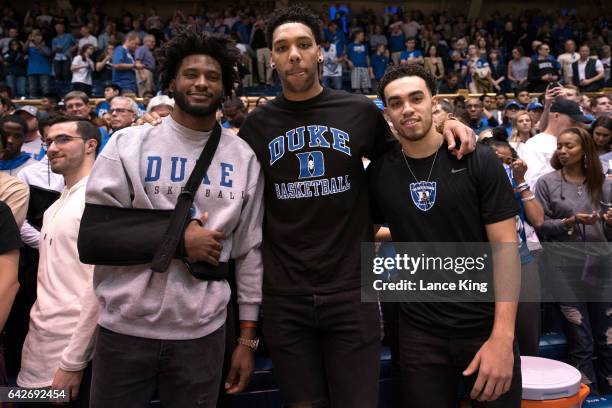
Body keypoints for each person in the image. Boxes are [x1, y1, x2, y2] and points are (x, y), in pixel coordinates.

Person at [234, 6, 475, 407]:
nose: (294, 54)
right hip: (285, 294)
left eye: (303, 44)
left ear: (320, 53)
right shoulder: (257, 126)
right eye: (282, 47)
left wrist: (444, 125)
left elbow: (406, 160)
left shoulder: (358, 112)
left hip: (350, 289)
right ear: (271, 59)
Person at [84, 25, 263, 408]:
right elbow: (96, 235)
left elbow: (249, 252)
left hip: (204, 332)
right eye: (191, 74)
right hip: (123, 329)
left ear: (226, 85)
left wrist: (247, 338)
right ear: (172, 80)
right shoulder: (128, 143)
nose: (201, 83)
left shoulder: (243, 157)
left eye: (212, 76)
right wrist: (181, 241)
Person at [370, 63, 521, 407]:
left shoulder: (479, 160)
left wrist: (502, 338)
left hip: (484, 325)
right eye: (395, 103)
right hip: (418, 332)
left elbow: (506, 249)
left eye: (416, 98)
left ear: (433, 103)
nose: (407, 108)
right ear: (388, 113)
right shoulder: (380, 172)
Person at [17, 116, 101, 406]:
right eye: (49, 141)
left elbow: (97, 288)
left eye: (63, 139)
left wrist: (73, 362)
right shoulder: (55, 206)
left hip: (71, 358)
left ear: (91, 145)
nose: (52, 147)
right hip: (37, 351)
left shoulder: (97, 200)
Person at [534, 127, 612, 395]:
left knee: (608, 336)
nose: (563, 151)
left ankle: (609, 393)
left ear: (585, 150)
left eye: (570, 146)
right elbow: (541, 225)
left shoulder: (605, 183)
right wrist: (571, 221)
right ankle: (586, 397)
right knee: (581, 338)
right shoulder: (547, 183)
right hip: (565, 267)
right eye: (560, 146)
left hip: (602, 266)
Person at [523, 99, 591, 189]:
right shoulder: (535, 144)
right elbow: (534, 184)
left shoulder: (579, 142)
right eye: (573, 121)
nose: (577, 126)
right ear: (556, 116)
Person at [25, 29, 51, 98]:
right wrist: (28, 40)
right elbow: (24, 49)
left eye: (37, 36)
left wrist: (37, 44)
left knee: (45, 88)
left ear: (41, 38)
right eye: (34, 36)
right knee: (32, 88)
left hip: (44, 70)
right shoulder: (30, 48)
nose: (36, 38)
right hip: (32, 70)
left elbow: (48, 54)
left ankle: (47, 101)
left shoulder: (46, 47)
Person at [345, 30, 371, 94]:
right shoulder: (350, 46)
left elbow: (367, 57)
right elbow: (345, 57)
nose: (363, 37)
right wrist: (349, 62)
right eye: (362, 35)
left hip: (364, 67)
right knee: (357, 90)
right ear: (357, 36)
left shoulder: (364, 46)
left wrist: (369, 66)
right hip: (355, 68)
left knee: (366, 89)